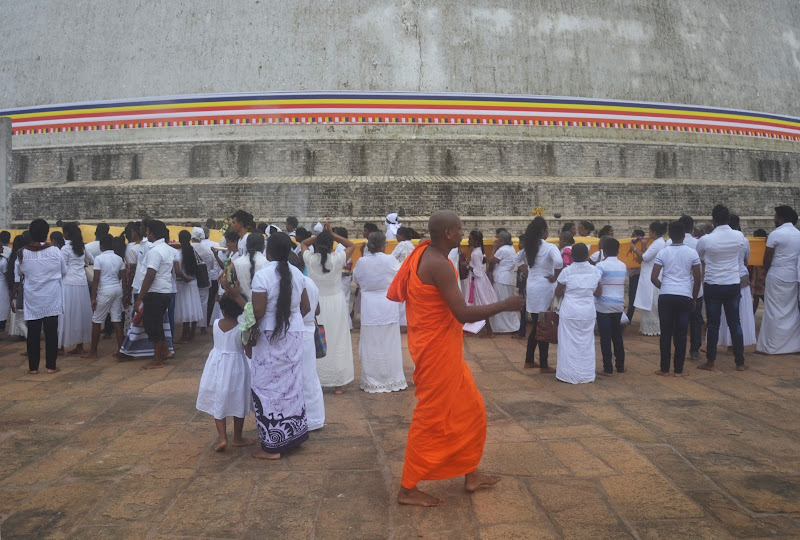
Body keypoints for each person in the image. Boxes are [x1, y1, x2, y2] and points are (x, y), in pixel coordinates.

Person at [387, 210, 523, 507]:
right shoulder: (439, 264)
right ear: (448, 232)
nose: (463, 233)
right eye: (459, 229)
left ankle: (470, 474)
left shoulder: (425, 253)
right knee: (431, 417)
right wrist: (504, 304)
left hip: (442, 349)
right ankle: (407, 488)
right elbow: (462, 313)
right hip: (436, 353)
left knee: (470, 409)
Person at [234, 232, 311, 459]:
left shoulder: (263, 275)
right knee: (291, 385)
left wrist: (251, 326)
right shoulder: (297, 273)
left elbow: (257, 311)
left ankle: (273, 446)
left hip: (269, 335)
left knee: (266, 387)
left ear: (268, 251)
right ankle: (292, 436)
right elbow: (305, 307)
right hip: (294, 333)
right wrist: (290, 320)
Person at [195, 294, 256, 452]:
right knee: (238, 400)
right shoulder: (242, 327)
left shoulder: (215, 324)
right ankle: (237, 437)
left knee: (218, 400)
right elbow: (248, 352)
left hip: (216, 366)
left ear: (222, 310)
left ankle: (222, 438)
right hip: (237, 367)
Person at [302, 224, 356, 394]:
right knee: (337, 340)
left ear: (316, 246)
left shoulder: (310, 259)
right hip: (336, 304)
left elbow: (303, 243)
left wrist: (319, 236)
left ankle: (316, 378)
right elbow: (351, 246)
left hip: (316, 305)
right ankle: (338, 384)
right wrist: (332, 234)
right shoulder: (337, 259)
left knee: (315, 340)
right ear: (332, 246)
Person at [353, 232, 407, 393]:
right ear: (383, 245)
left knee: (371, 343)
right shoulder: (390, 260)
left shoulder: (362, 262)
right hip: (388, 304)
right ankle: (393, 378)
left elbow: (357, 279)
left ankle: (372, 379)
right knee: (390, 342)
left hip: (369, 306)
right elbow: (400, 276)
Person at [697, 205, 748, 370]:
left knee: (713, 325)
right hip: (733, 283)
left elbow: (700, 257)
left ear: (713, 220)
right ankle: (740, 362)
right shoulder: (739, 236)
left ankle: (710, 361)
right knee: (735, 324)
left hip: (713, 284)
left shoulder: (706, 239)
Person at [12, 219, 66, 374]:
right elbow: (64, 271)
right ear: (46, 233)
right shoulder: (55, 250)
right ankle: (51, 366)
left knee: (33, 333)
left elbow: (19, 273)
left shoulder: (22, 252)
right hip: (51, 297)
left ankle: (33, 368)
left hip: (33, 297)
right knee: (51, 332)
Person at [652, 222, 701, 376]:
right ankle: (678, 369)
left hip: (666, 294)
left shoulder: (663, 253)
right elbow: (698, 278)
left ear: (670, 236)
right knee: (681, 333)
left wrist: (665, 287)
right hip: (684, 295)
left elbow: (653, 277)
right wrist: (694, 297)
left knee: (665, 333)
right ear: (684, 235)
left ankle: (664, 368)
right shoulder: (692, 253)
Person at [514, 217, 563, 372]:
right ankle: (542, 363)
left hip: (533, 287)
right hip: (546, 288)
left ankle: (530, 360)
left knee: (538, 324)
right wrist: (555, 276)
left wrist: (529, 273)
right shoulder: (549, 247)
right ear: (543, 231)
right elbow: (559, 262)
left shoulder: (529, 247)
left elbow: (516, 259)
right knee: (543, 325)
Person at [553, 243, 601, 384]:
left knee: (567, 343)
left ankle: (567, 374)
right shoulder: (595, 271)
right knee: (586, 343)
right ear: (587, 255)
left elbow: (558, 292)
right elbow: (598, 292)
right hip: (587, 311)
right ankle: (586, 374)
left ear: (572, 256)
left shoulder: (567, 271)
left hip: (570, 310)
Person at [756, 205, 800, 354]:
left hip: (777, 273)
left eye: (775, 216)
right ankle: (791, 345)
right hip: (792, 275)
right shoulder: (798, 234)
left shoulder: (776, 234)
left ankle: (773, 346)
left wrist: (771, 271)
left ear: (781, 218)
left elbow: (766, 259)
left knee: (773, 310)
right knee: (791, 310)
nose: (774, 219)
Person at [289, 253, 325, 431]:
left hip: (298, 331)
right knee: (310, 375)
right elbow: (317, 310)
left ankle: (302, 418)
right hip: (309, 330)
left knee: (298, 376)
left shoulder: (295, 282)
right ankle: (315, 417)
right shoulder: (309, 282)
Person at [133, 220, 175, 370]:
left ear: (152, 233)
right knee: (154, 324)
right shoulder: (167, 249)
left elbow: (150, 275)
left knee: (153, 326)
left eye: (148, 231)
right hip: (164, 290)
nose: (146, 233)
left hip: (155, 292)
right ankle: (165, 352)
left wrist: (139, 298)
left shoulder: (155, 252)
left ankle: (157, 359)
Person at [83, 234, 126, 357]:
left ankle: (93, 351)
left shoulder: (99, 259)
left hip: (105, 290)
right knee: (117, 320)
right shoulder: (119, 258)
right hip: (117, 289)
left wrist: (93, 298)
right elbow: (122, 278)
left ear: (101, 246)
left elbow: (96, 279)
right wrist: (124, 294)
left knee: (96, 320)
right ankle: (121, 350)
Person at [667, 216, 704, 360]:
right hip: (695, 287)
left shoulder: (668, 244)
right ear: (691, 228)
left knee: (677, 321)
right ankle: (695, 349)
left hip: (675, 288)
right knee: (696, 319)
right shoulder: (698, 243)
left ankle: (678, 347)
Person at [717, 215, 757, 349]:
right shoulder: (743, 240)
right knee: (741, 311)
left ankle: (727, 342)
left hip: (725, 278)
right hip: (740, 276)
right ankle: (738, 343)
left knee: (725, 312)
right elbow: (746, 260)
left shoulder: (718, 239)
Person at [58, 222, 93, 355]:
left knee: (66, 315)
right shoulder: (82, 247)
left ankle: (61, 346)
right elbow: (92, 259)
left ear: (66, 233)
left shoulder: (65, 249)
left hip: (68, 284)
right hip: (82, 284)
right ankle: (79, 346)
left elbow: (62, 267)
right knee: (81, 314)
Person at [595, 238, 627, 376]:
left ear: (604, 251)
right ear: (618, 251)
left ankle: (607, 367)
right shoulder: (623, 265)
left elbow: (596, 284)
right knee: (617, 336)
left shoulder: (600, 266)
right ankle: (620, 365)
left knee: (605, 337)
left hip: (603, 305)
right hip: (618, 304)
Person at [631, 222, 667, 336]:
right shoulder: (658, 242)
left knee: (652, 302)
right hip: (650, 273)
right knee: (649, 301)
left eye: (650, 231)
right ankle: (649, 327)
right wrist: (643, 246)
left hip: (652, 275)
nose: (648, 233)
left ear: (654, 232)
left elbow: (645, 257)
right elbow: (647, 255)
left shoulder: (658, 243)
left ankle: (653, 328)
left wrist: (634, 248)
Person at [464, 230, 499, 336]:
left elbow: (478, 271)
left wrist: (466, 265)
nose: (469, 241)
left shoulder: (475, 253)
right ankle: (477, 328)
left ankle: (489, 330)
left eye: (471, 239)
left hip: (477, 282)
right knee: (477, 305)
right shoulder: (477, 251)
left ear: (476, 241)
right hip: (477, 281)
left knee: (480, 305)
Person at [174, 230, 204, 344]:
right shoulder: (192, 252)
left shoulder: (179, 253)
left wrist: (184, 277)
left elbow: (177, 270)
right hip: (193, 282)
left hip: (183, 283)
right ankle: (191, 333)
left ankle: (184, 335)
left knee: (185, 309)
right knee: (193, 307)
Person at [487, 229, 519, 333]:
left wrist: (494, 248)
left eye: (498, 240)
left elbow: (491, 260)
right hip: (508, 278)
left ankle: (501, 327)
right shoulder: (511, 248)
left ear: (502, 241)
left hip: (501, 279)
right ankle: (510, 325)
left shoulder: (503, 250)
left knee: (500, 302)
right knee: (506, 301)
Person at [232, 233, 268, 300]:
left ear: (246, 245)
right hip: (261, 305)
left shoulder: (236, 262)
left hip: (241, 305)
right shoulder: (267, 263)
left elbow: (233, 284)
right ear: (263, 246)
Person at [625, 228, 645, 322]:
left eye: (633, 235)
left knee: (632, 297)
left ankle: (628, 318)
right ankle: (629, 317)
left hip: (636, 274)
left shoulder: (638, 246)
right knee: (632, 297)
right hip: (634, 274)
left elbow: (639, 259)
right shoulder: (633, 245)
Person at [749, 229, 767, 312]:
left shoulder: (756, 245)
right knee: (762, 299)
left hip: (758, 276)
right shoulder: (766, 245)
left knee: (756, 299)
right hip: (760, 275)